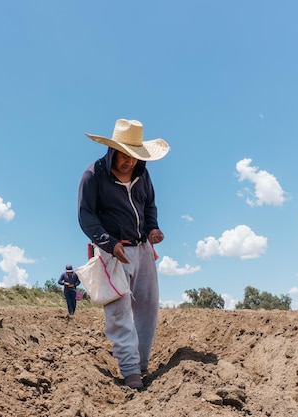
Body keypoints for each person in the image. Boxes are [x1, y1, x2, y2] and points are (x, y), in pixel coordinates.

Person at [77, 119, 169, 390]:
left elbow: (149, 204)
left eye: (134, 156)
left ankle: (141, 365)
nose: (129, 161)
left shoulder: (143, 173)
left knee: (148, 309)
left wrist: (152, 228)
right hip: (112, 253)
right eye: (124, 154)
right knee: (118, 312)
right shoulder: (93, 175)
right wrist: (109, 243)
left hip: (142, 250)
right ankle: (130, 373)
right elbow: (85, 215)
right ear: (112, 150)